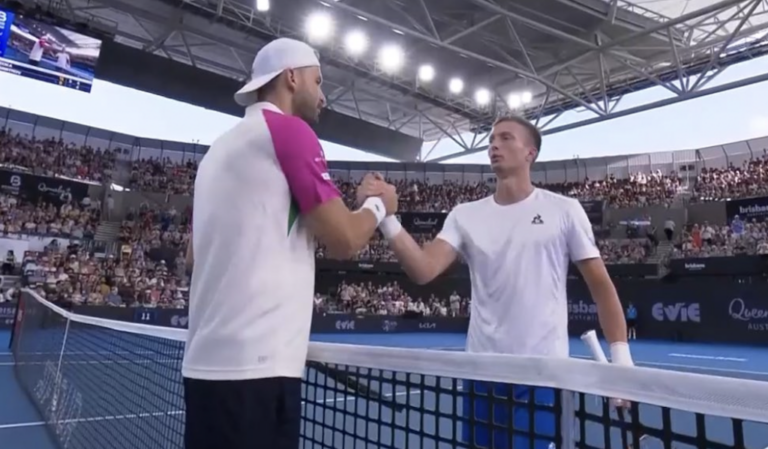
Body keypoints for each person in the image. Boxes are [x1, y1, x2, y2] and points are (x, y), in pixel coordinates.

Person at [360, 115, 633, 449]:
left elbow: (601, 287)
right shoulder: (464, 214)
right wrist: (386, 217)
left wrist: (621, 362)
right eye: (492, 139)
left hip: (542, 376)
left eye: (506, 138)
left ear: (530, 153)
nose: (494, 145)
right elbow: (423, 269)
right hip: (481, 375)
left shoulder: (565, 210)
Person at [181, 38, 398, 449]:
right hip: (257, 374)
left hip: (205, 369)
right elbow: (346, 240)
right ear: (291, 78)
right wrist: (378, 205)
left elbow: (195, 256)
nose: (323, 96)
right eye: (318, 82)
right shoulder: (289, 132)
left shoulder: (218, 151)